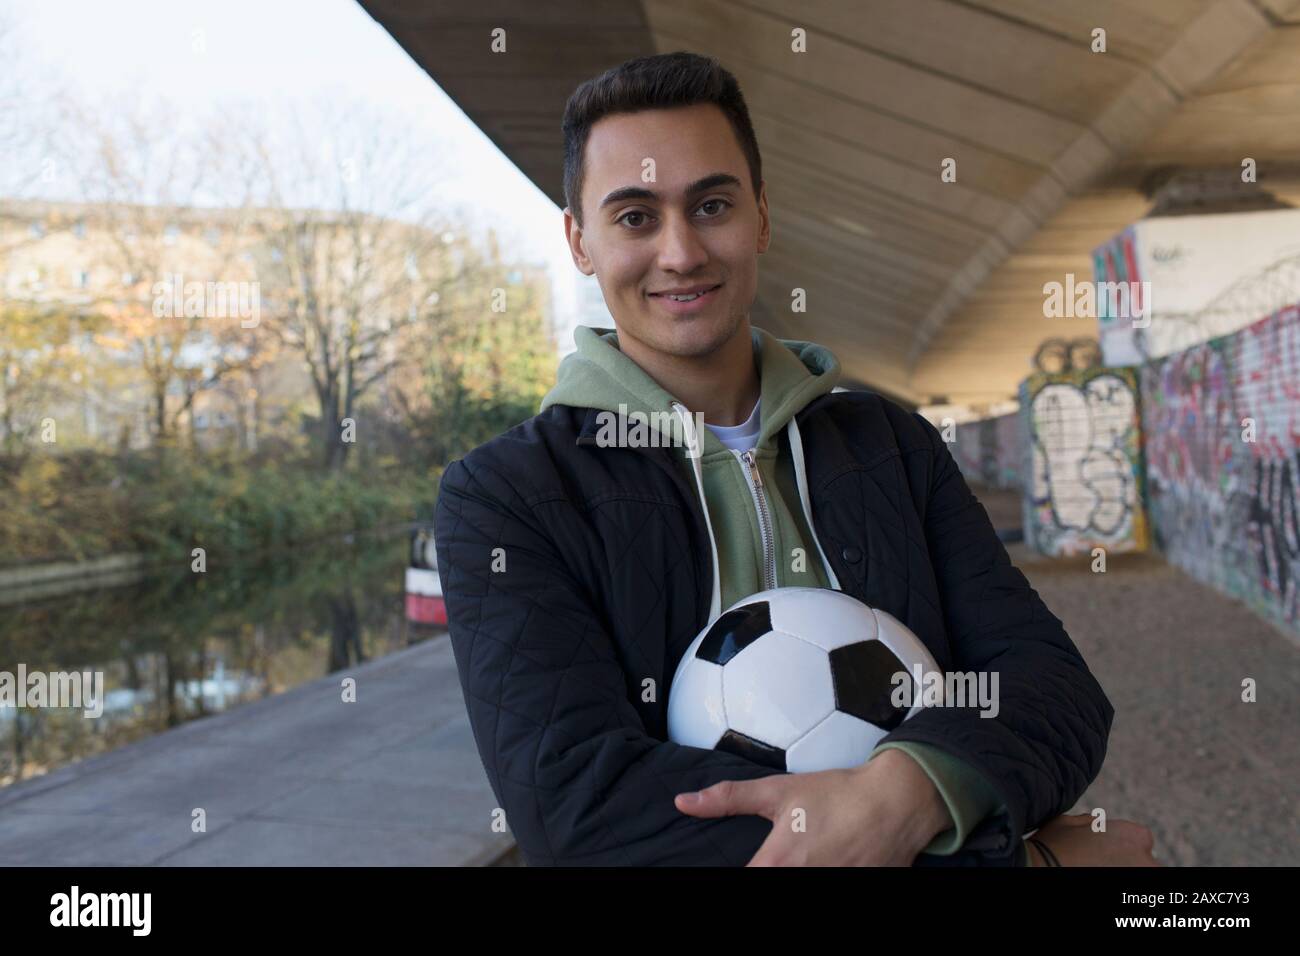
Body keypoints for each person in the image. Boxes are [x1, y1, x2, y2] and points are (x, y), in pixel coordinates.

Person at [434, 51, 1157, 867]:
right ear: (581, 242)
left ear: (763, 217)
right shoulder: (508, 496)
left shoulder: (892, 445)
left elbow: (1052, 689)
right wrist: (1022, 861)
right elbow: (577, 811)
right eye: (635, 216)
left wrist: (903, 793)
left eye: (711, 205)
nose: (680, 252)